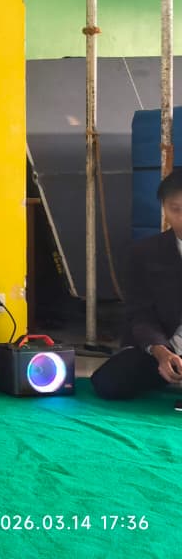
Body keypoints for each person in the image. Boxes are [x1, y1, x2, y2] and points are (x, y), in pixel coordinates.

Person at [92, 170, 182, 400]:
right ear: (164, 208)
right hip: (168, 349)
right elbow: (140, 314)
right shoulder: (144, 254)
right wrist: (161, 353)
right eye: (176, 209)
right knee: (109, 382)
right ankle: (169, 373)